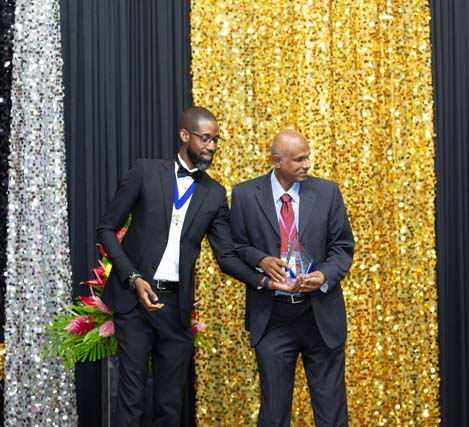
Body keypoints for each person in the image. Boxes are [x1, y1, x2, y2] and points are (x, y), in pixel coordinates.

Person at [97, 106, 263, 426]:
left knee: (170, 405)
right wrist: (133, 277)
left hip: (175, 307)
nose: (212, 146)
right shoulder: (145, 172)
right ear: (185, 135)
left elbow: (227, 255)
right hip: (134, 300)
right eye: (205, 138)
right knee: (131, 400)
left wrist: (263, 279)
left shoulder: (214, 194)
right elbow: (106, 229)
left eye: (216, 140)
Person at [229, 129, 355, 427]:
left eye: (307, 157)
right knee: (274, 414)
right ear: (277, 161)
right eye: (299, 159)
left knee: (332, 413)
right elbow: (237, 247)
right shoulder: (245, 195)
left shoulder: (327, 192)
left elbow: (342, 246)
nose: (307, 164)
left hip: (320, 315)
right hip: (273, 317)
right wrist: (261, 260)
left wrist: (323, 275)